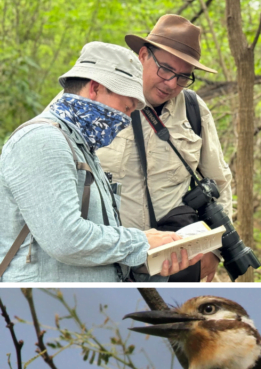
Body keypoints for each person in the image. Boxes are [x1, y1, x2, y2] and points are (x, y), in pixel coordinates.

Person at [0, 42, 199, 282]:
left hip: (82, 305)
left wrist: (149, 260)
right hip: (42, 308)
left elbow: (97, 251)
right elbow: (65, 239)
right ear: (95, 88)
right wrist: (141, 242)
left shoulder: (84, 150)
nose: (126, 120)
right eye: (125, 108)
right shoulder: (43, 140)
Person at [96, 14, 233, 282]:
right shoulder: (100, 98)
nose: (172, 83)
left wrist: (215, 251)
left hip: (172, 263)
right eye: (166, 70)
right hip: (106, 260)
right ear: (143, 55)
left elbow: (219, 182)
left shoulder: (194, 110)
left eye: (183, 77)